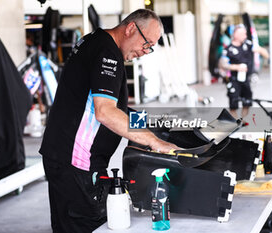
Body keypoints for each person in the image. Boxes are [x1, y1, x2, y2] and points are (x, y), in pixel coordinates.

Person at [39, 9, 179, 233]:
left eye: (150, 47)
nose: (145, 51)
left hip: (64, 156)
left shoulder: (96, 41)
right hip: (78, 162)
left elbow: (114, 106)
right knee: (85, 225)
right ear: (131, 28)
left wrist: (153, 123)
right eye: (147, 43)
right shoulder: (107, 53)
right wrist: (154, 141)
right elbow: (105, 112)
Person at [219, 24, 269, 119]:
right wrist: (236, 67)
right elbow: (223, 65)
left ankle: (243, 122)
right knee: (233, 104)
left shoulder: (248, 45)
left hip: (246, 80)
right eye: (243, 34)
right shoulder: (228, 50)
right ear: (235, 34)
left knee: (247, 102)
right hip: (233, 80)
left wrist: (261, 50)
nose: (245, 36)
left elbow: (265, 54)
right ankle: (235, 123)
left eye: (245, 34)